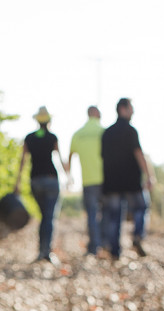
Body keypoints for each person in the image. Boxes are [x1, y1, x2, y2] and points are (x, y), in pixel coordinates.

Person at [14, 106, 69, 263]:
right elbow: (60, 158)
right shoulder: (52, 137)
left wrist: (17, 183)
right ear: (49, 121)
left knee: (44, 216)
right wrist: (68, 176)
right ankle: (46, 251)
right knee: (49, 217)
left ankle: (42, 250)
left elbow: (22, 162)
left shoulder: (30, 138)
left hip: (35, 181)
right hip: (51, 180)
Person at [100, 97, 153, 259]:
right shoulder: (131, 131)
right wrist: (149, 175)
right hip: (131, 181)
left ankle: (115, 251)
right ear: (123, 109)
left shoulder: (107, 133)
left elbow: (102, 157)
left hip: (112, 181)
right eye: (131, 108)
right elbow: (138, 154)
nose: (133, 112)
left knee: (115, 216)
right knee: (141, 207)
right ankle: (137, 235)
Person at [66, 106, 104, 256]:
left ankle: (94, 246)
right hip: (104, 180)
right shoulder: (103, 131)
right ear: (95, 113)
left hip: (87, 180)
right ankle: (103, 242)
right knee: (105, 213)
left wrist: (69, 176)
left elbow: (70, 156)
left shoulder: (78, 134)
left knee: (92, 215)